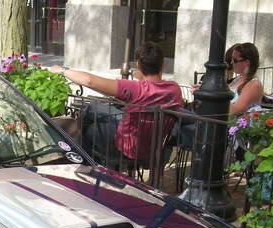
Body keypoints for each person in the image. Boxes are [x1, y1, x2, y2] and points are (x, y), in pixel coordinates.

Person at [48, 42, 182, 162]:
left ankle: (82, 159)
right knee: (94, 108)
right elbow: (154, 90)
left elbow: (90, 81)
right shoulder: (174, 89)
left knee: (89, 128)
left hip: (127, 148)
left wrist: (62, 70)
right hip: (155, 151)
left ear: (137, 65)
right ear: (162, 65)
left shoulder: (136, 88)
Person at [228, 42, 263, 115]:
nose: (231, 62)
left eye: (235, 60)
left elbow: (236, 110)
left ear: (247, 62)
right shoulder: (238, 79)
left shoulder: (254, 85)